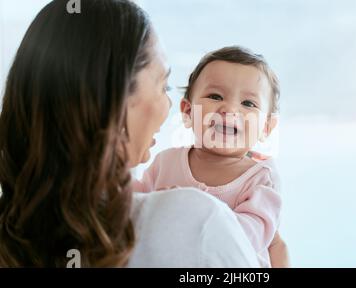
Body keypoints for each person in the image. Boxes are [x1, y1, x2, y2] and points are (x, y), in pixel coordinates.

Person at [0, 0, 288, 267]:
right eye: (163, 86)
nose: (169, 105)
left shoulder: (21, 227)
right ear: (113, 99)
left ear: (267, 126)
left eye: (248, 103)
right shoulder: (195, 219)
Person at [132, 46, 283, 268]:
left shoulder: (261, 179)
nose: (229, 108)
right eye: (215, 96)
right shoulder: (166, 162)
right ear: (188, 111)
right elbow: (133, 207)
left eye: (248, 103)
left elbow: (247, 238)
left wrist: (180, 209)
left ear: (267, 127)